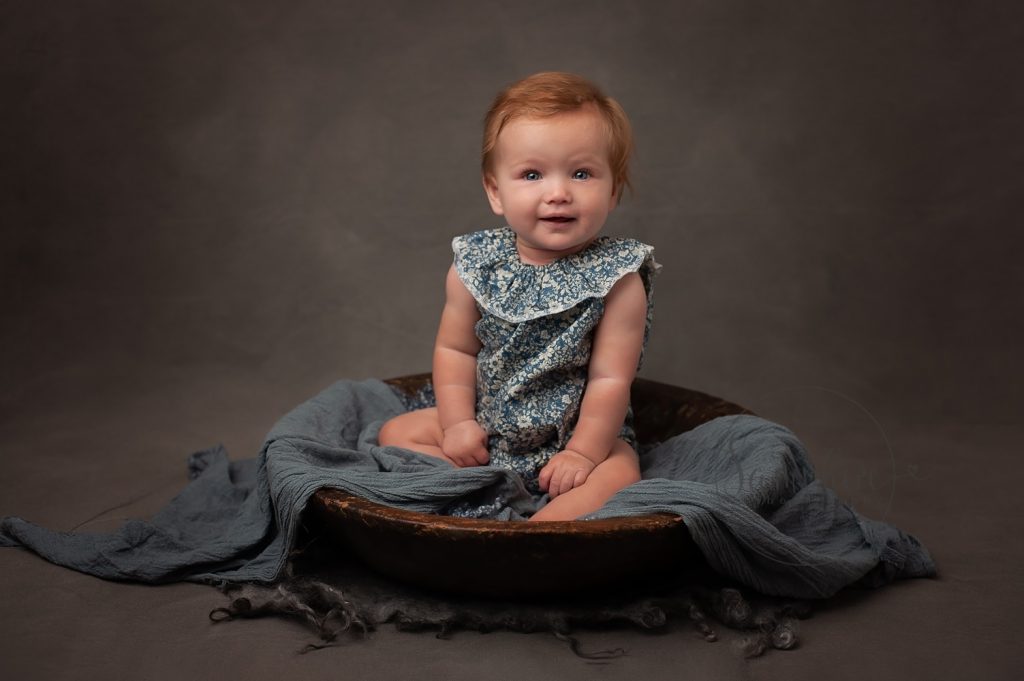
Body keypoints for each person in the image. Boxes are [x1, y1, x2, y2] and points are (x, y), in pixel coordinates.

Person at [379, 72, 658, 521]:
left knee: (621, 471)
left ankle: (536, 533)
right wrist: (458, 424)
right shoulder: (476, 265)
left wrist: (584, 455)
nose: (558, 193)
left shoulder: (618, 279)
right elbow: (455, 349)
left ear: (613, 189)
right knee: (395, 431)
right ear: (496, 191)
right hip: (490, 427)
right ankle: (481, 485)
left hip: (572, 434)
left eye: (582, 173)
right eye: (532, 174)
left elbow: (610, 381)